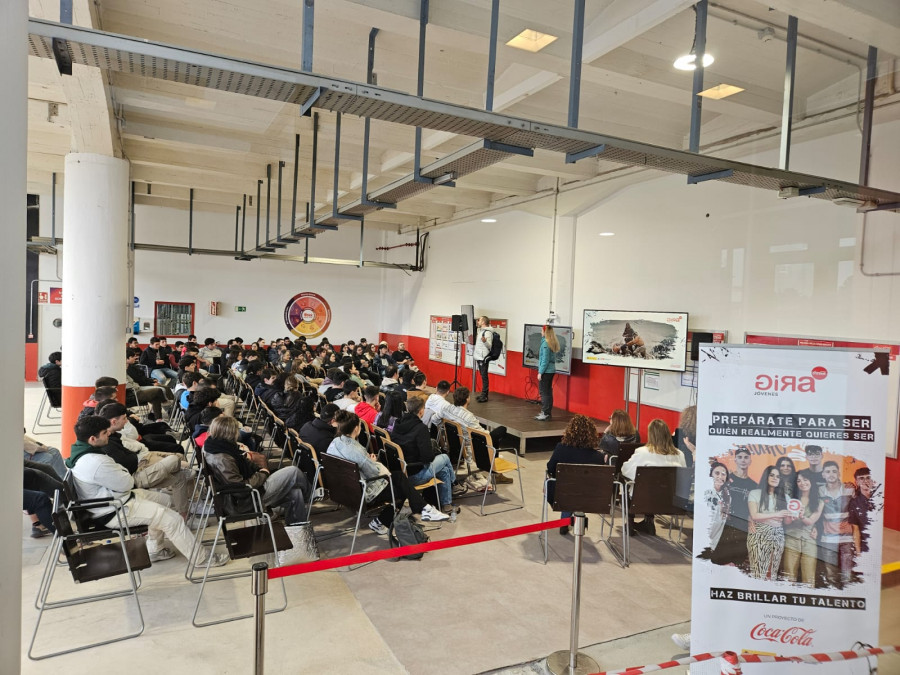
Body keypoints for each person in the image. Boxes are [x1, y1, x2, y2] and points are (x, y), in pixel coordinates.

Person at [67, 416, 228, 567]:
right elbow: (127, 482)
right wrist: (122, 473)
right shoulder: (96, 462)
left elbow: (123, 476)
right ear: (92, 439)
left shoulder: (84, 453)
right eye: (104, 432)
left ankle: (155, 549)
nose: (109, 432)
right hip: (115, 509)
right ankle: (201, 559)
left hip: (118, 499)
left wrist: (121, 473)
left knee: (168, 502)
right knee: (172, 519)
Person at [326, 411, 448, 533]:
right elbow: (373, 473)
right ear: (357, 428)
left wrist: (368, 461)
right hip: (363, 493)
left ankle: (423, 509)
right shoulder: (356, 450)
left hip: (344, 491)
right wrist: (373, 462)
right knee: (402, 487)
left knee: (400, 478)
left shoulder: (335, 443)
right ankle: (418, 511)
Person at [203, 416, 313, 529]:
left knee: (295, 493)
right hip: (247, 498)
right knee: (293, 471)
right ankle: (311, 494)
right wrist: (263, 474)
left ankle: (297, 531)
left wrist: (258, 469)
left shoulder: (216, 447)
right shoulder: (223, 458)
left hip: (245, 494)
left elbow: (243, 463)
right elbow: (240, 488)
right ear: (230, 433)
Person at [391, 397, 460, 513]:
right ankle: (455, 484)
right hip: (415, 474)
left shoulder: (397, 424)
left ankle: (446, 505)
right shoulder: (421, 428)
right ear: (421, 411)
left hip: (401, 471)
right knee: (444, 457)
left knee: (444, 470)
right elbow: (427, 458)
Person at [621, 419, 685, 535]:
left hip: (644, 499)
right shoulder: (680, 454)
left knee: (631, 485)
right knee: (654, 487)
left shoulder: (642, 452)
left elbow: (626, 471)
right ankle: (649, 522)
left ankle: (630, 522)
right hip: (672, 502)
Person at [546, 415, 606, 534]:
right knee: (579, 489)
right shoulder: (598, 457)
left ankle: (565, 520)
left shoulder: (560, 449)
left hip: (561, 495)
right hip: (590, 498)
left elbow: (550, 468)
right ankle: (574, 518)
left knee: (565, 487)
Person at [747, 465, 789, 581]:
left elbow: (787, 520)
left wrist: (797, 514)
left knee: (773, 570)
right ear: (766, 477)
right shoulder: (755, 493)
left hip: (778, 534)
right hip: (759, 533)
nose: (775, 478)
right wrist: (776, 514)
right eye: (772, 475)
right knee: (759, 571)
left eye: (778, 476)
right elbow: (754, 515)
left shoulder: (783, 497)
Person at [782, 468, 824, 585]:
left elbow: (811, 521)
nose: (802, 483)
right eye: (798, 481)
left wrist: (801, 516)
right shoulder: (791, 500)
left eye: (805, 480)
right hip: (791, 539)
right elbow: (786, 522)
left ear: (811, 481)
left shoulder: (819, 501)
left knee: (809, 577)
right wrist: (790, 517)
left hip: (809, 540)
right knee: (789, 576)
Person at [819, 460, 854, 588]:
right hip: (828, 538)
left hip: (847, 538)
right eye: (828, 472)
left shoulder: (849, 489)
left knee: (847, 576)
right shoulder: (819, 491)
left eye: (834, 471)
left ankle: (848, 598)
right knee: (831, 575)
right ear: (823, 474)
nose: (831, 474)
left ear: (839, 473)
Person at [849, 466, 875, 559]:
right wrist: (858, 553)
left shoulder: (879, 498)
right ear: (856, 481)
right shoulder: (854, 503)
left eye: (868, 477)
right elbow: (855, 530)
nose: (865, 481)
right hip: (865, 546)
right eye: (861, 478)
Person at [535, 325, 560, 421]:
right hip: (551, 371)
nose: (541, 332)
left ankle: (545, 413)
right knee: (548, 392)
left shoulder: (545, 344)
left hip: (546, 371)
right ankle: (547, 413)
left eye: (542, 330)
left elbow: (545, 360)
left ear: (545, 332)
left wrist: (540, 372)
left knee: (544, 392)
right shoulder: (551, 343)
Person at [704, 463, 731, 551]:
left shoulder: (727, 496)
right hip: (703, 536)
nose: (720, 476)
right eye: (717, 473)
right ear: (711, 474)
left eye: (723, 474)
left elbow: (721, 524)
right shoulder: (705, 492)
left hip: (713, 542)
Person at [473, 316, 493, 402]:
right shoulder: (481, 331)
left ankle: (484, 395)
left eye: (480, 320)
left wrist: (484, 341)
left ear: (484, 322)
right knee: (482, 375)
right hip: (479, 356)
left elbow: (489, 346)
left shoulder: (487, 332)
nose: (478, 321)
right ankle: (483, 394)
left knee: (484, 376)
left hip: (483, 357)